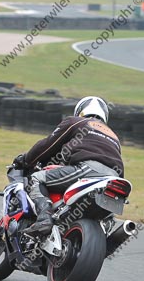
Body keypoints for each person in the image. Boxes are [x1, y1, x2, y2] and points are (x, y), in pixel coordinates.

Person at [14, 96, 124, 235]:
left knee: (36, 179)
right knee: (107, 216)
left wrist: (27, 160)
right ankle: (105, 236)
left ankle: (44, 219)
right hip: (114, 178)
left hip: (88, 170)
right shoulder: (114, 136)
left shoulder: (75, 122)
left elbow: (48, 145)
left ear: (80, 111)